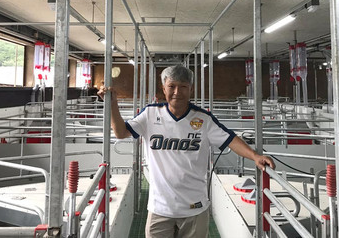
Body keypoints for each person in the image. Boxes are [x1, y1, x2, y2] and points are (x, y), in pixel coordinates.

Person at [98, 65, 275, 238]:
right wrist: (113, 104)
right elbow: (121, 133)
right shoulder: (150, 115)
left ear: (190, 89)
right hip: (160, 207)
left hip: (194, 208)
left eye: (183, 87)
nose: (177, 92)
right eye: (172, 86)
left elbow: (230, 139)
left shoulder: (203, 119)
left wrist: (255, 156)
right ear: (163, 87)